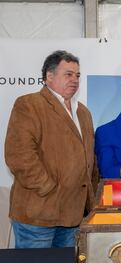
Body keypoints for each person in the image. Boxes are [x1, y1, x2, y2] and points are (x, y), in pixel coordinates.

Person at [5, 50, 97, 248]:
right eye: (68, 74)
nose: (75, 79)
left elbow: (90, 160)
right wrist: (48, 188)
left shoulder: (84, 112)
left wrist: (91, 200)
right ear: (49, 76)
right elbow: (19, 156)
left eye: (78, 75)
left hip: (74, 216)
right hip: (38, 215)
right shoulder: (29, 104)